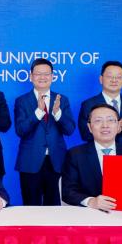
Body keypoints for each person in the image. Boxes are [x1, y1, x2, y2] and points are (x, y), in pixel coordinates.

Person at [14, 58, 75, 205]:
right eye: (38, 74)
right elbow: (20, 130)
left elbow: (70, 129)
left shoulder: (62, 100)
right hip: (30, 162)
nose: (42, 77)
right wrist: (38, 113)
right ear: (31, 76)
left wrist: (57, 113)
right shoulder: (22, 101)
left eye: (46, 74)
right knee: (30, 207)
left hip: (56, 162)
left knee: (54, 208)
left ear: (53, 76)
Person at [62, 104, 122, 211]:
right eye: (98, 121)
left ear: (118, 126)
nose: (105, 125)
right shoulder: (75, 154)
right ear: (89, 127)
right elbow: (68, 192)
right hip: (89, 215)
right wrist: (91, 201)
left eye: (110, 120)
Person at [77, 60, 122, 147]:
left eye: (118, 77)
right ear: (101, 79)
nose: (114, 80)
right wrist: (113, 128)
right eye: (110, 76)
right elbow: (85, 134)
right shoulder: (88, 104)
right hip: (99, 156)